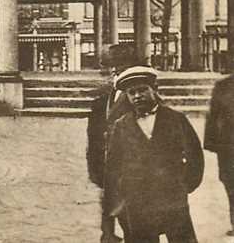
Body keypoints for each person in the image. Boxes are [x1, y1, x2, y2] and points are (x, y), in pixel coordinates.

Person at [104, 66, 204, 243]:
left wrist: (184, 185)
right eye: (131, 92)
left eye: (142, 90)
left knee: (182, 239)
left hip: (172, 198)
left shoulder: (176, 119)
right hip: (137, 200)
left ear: (155, 90)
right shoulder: (122, 125)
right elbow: (113, 165)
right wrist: (122, 195)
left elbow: (195, 155)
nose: (137, 96)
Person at [86, 45, 135, 243]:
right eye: (111, 68)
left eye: (119, 68)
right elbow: (94, 136)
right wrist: (94, 166)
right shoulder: (101, 101)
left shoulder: (138, 98)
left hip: (129, 169)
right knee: (108, 208)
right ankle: (108, 236)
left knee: (129, 216)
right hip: (106, 167)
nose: (114, 72)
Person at [204, 72, 234, 237]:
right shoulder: (223, 86)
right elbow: (213, 116)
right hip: (228, 146)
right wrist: (210, 141)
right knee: (230, 183)